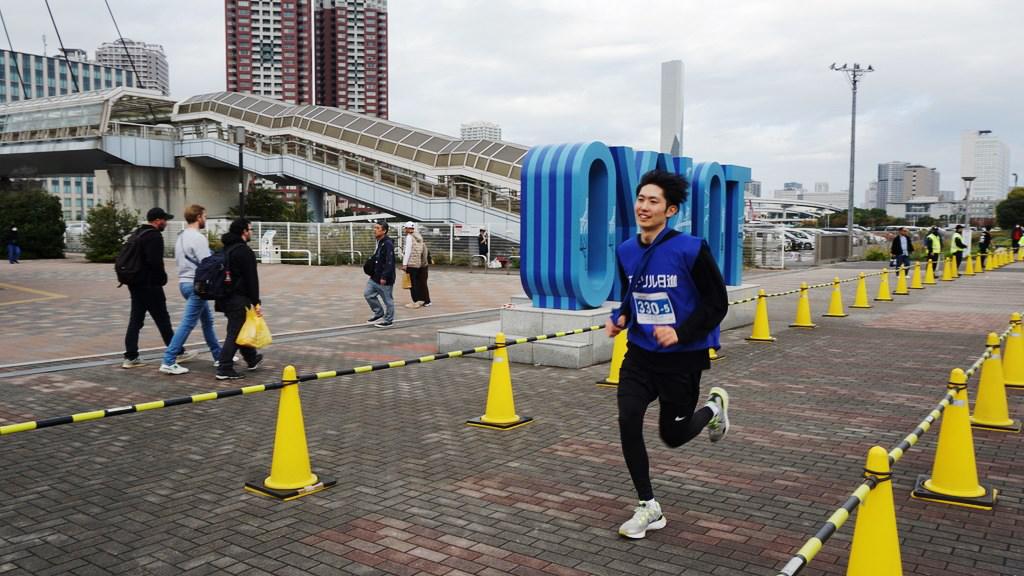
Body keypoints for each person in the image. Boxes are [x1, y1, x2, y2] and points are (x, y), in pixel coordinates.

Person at [604, 169, 730, 539]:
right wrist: (620, 318)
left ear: (670, 210)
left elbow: (717, 303)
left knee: (672, 435)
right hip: (641, 354)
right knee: (628, 417)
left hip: (683, 357)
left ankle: (713, 410)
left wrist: (681, 332)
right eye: (641, 199)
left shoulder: (691, 249)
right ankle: (648, 505)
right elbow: (632, 295)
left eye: (653, 201)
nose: (644, 206)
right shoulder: (626, 250)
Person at [158, 205, 224, 375]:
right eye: (205, 216)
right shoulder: (198, 238)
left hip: (184, 282)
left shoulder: (181, 237)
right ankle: (169, 360)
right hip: (198, 285)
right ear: (198, 217)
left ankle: (219, 356)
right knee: (188, 323)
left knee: (207, 321)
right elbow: (207, 264)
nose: (206, 219)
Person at [122, 208, 176, 368]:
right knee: (163, 320)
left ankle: (130, 356)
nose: (166, 223)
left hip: (135, 283)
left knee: (136, 320)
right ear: (157, 220)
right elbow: (155, 262)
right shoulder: (154, 236)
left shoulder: (137, 233)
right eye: (164, 220)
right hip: (150, 284)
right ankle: (176, 352)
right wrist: (162, 279)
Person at [214, 218, 264, 380]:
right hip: (238, 298)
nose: (251, 232)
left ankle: (251, 358)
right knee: (235, 333)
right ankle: (224, 367)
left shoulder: (226, 249)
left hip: (224, 297)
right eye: (250, 229)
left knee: (240, 327)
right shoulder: (243, 251)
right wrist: (256, 301)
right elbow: (251, 279)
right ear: (244, 231)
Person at [364, 221, 396, 327]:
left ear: (384, 231)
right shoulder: (379, 241)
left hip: (384, 278)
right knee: (368, 294)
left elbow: (389, 262)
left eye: (377, 228)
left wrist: (384, 276)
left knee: (388, 300)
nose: (375, 230)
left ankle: (388, 320)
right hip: (374, 276)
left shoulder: (388, 244)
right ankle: (379, 313)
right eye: (375, 227)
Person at [401, 222, 431, 308]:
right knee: (417, 283)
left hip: (411, 263)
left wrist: (404, 264)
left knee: (412, 284)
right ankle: (421, 300)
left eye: (405, 228)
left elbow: (407, 252)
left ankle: (416, 302)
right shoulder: (418, 236)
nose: (405, 230)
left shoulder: (409, 237)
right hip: (418, 264)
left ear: (408, 229)